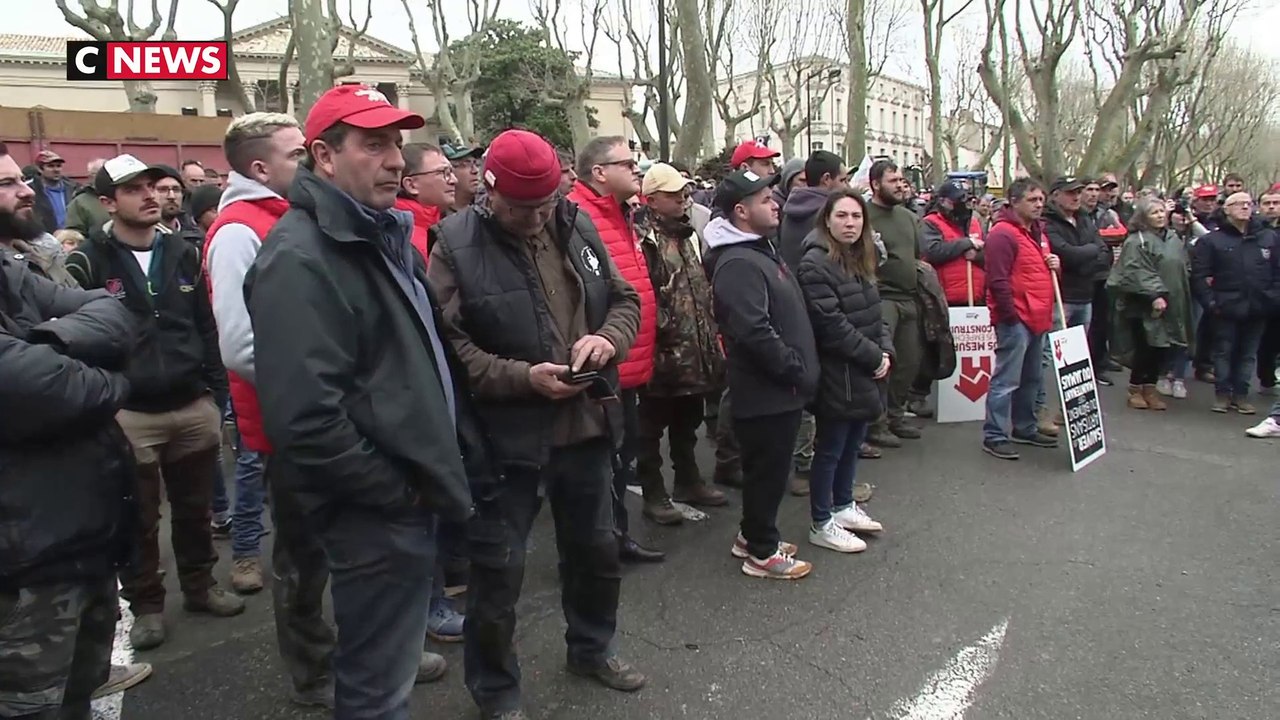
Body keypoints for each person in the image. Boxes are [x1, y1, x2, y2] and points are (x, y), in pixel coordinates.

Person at [245, 85, 488, 718]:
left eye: (398, 144)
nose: (395, 161)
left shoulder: (378, 235)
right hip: (374, 511)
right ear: (323, 157)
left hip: (408, 496)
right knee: (376, 688)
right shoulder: (299, 259)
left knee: (389, 667)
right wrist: (396, 491)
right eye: (374, 145)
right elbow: (306, 418)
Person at [427, 128, 646, 719]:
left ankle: (592, 648)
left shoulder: (576, 224)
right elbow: (452, 347)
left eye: (543, 205)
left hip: (587, 422)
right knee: (499, 574)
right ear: (489, 191)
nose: (533, 219)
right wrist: (524, 377)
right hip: (507, 440)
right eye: (520, 208)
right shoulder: (452, 242)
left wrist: (606, 338)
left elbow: (624, 299)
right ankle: (496, 693)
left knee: (596, 550)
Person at [66, 154, 243, 651]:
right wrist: (104, 400)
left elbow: (206, 322)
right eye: (133, 189)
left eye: (152, 185)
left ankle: (201, 586)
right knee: (139, 517)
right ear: (106, 202)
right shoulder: (88, 259)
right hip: (129, 412)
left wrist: (214, 390)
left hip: (191, 403)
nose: (149, 195)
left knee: (195, 508)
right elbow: (75, 338)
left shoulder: (183, 250)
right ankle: (146, 605)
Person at [0, 141, 153, 715]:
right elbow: (41, 388)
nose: (29, 191)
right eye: (10, 183)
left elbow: (111, 314)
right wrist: (105, 380)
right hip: (22, 561)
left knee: (79, 695)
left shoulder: (12, 270)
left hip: (79, 538)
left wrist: (47, 343)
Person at [203, 111, 337, 706]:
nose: (309, 165)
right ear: (260, 167)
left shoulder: (292, 215)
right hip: (291, 423)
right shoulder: (237, 230)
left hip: (326, 412)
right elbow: (241, 344)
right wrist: (326, 382)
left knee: (350, 545)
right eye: (296, 156)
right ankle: (315, 675)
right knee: (304, 556)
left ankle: (366, 653)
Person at [704, 168, 818, 579]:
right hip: (767, 390)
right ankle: (763, 554)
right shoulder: (737, 262)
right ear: (741, 211)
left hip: (779, 388)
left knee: (766, 470)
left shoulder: (758, 249)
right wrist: (794, 369)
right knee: (768, 473)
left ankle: (752, 535)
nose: (777, 203)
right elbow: (752, 330)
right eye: (766, 199)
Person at [796, 188, 888, 554]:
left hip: (864, 367)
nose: (850, 224)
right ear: (827, 220)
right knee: (831, 447)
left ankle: (843, 504)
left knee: (853, 442)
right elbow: (831, 325)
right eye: (842, 216)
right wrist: (874, 357)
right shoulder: (814, 263)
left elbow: (874, 311)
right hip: (840, 371)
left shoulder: (858, 258)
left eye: (856, 217)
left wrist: (885, 351)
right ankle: (822, 521)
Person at [634, 163, 727, 519]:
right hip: (661, 351)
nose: (684, 200)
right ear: (653, 199)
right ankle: (653, 491)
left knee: (688, 420)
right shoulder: (644, 237)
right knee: (651, 427)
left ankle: (689, 480)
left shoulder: (687, 234)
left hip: (694, 346)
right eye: (675, 195)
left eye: (685, 193)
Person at [980, 178, 1060, 460]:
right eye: (1032, 200)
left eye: (1041, 199)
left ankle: (1024, 426)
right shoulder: (1003, 235)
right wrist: (1010, 317)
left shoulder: (1037, 232)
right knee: (1007, 379)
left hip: (1038, 316)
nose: (1039, 205)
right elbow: (997, 280)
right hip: (1016, 318)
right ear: (1014, 202)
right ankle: (995, 434)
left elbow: (1038, 273)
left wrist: (1054, 266)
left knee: (1032, 378)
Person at [1191, 191, 1280, 414]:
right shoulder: (1211, 240)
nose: (1244, 207)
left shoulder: (1268, 238)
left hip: (1259, 306)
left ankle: (1241, 394)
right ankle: (1223, 394)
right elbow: (1200, 275)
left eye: (1248, 204)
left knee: (1248, 353)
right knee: (1224, 351)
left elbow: (1277, 271)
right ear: (1227, 209)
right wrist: (1211, 303)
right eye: (1238, 204)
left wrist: (1273, 298)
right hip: (1225, 306)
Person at [1036, 176, 1111, 436]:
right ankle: (1041, 409)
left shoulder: (1085, 220)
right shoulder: (1046, 224)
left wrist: (1083, 255)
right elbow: (1065, 254)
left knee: (1077, 358)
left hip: (1084, 295)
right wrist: (1086, 254)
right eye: (1071, 193)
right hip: (1060, 297)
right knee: (1048, 356)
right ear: (1055, 195)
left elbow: (1104, 253)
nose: (1076, 197)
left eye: (1079, 192)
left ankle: (1070, 408)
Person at [1105, 195, 1193, 411]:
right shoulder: (1137, 241)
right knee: (1145, 347)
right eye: (1154, 212)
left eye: (1162, 211)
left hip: (1172, 301)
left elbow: (1181, 265)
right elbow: (1134, 271)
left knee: (1162, 349)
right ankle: (1135, 388)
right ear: (1143, 216)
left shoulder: (1173, 238)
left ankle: (1150, 387)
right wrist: (1154, 295)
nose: (1160, 215)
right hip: (1142, 304)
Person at [865, 160, 925, 449]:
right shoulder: (864, 215)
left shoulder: (909, 218)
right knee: (883, 363)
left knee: (909, 361)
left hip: (909, 297)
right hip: (881, 298)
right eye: (893, 180)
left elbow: (916, 255)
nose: (900, 185)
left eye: (902, 180)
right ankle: (876, 423)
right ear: (875, 184)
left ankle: (897, 415)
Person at [395, 142, 455, 259]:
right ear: (411, 185)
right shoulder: (405, 240)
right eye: (443, 173)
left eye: (451, 172)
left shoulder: (437, 225)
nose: (454, 180)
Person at [64, 158, 112, 235]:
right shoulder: (80, 202)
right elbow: (74, 234)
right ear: (91, 176)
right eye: (102, 174)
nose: (107, 177)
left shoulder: (120, 196)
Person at [443, 142, 485, 212]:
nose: (475, 170)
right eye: (466, 164)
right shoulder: (436, 217)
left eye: (475, 163)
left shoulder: (487, 207)